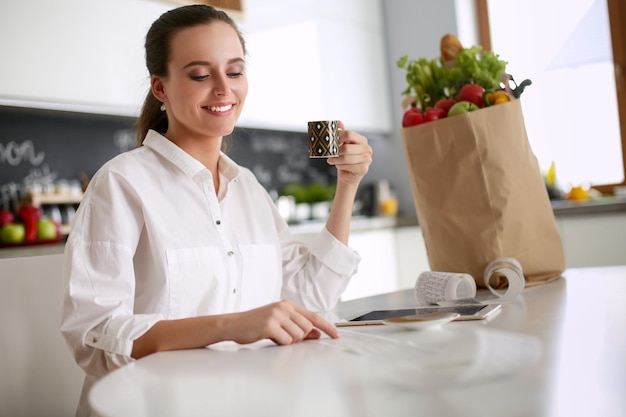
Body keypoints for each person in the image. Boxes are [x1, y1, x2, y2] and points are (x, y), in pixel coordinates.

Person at [60, 4, 372, 416]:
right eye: (201, 75)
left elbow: (309, 297)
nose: (224, 89)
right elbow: (94, 333)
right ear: (160, 88)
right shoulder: (122, 184)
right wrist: (232, 325)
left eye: (235, 71)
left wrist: (347, 186)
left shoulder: (249, 190)